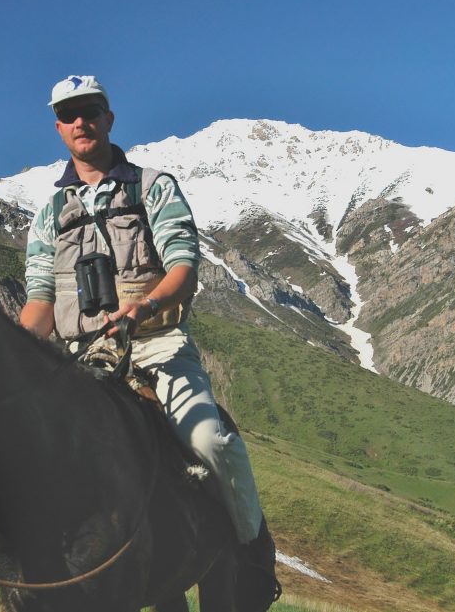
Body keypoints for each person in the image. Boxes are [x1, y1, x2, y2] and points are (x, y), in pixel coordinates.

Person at [16, 75, 279, 607]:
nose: (80, 122)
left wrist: (146, 307)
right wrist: (13, 350)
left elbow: (184, 265)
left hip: (156, 349)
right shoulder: (47, 216)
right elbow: (40, 301)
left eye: (90, 110)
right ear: (58, 128)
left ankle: (252, 553)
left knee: (213, 443)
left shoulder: (152, 186)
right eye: (69, 115)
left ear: (109, 118)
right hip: (77, 361)